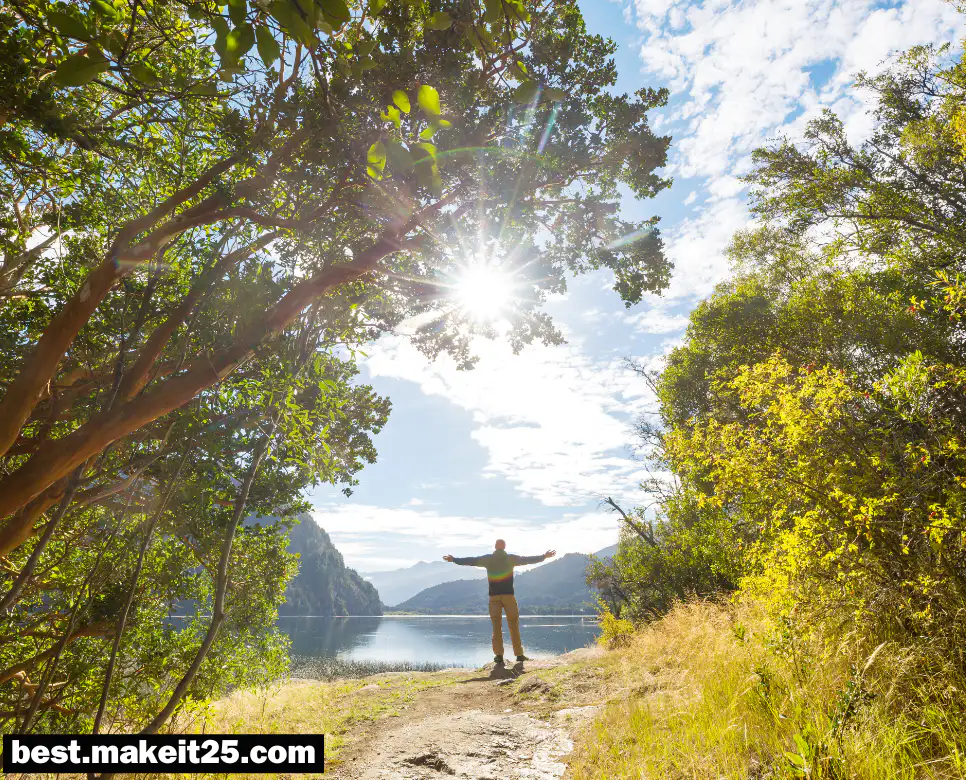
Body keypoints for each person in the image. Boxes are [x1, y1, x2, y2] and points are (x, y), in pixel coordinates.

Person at [443, 540, 556, 665]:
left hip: (494, 597)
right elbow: (527, 560)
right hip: (509, 596)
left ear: (495, 547)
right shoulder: (511, 558)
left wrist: (454, 559)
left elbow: (471, 561)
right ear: (504, 547)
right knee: (513, 625)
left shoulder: (488, 559)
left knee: (496, 627)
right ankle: (519, 655)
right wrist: (544, 556)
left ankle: (499, 656)